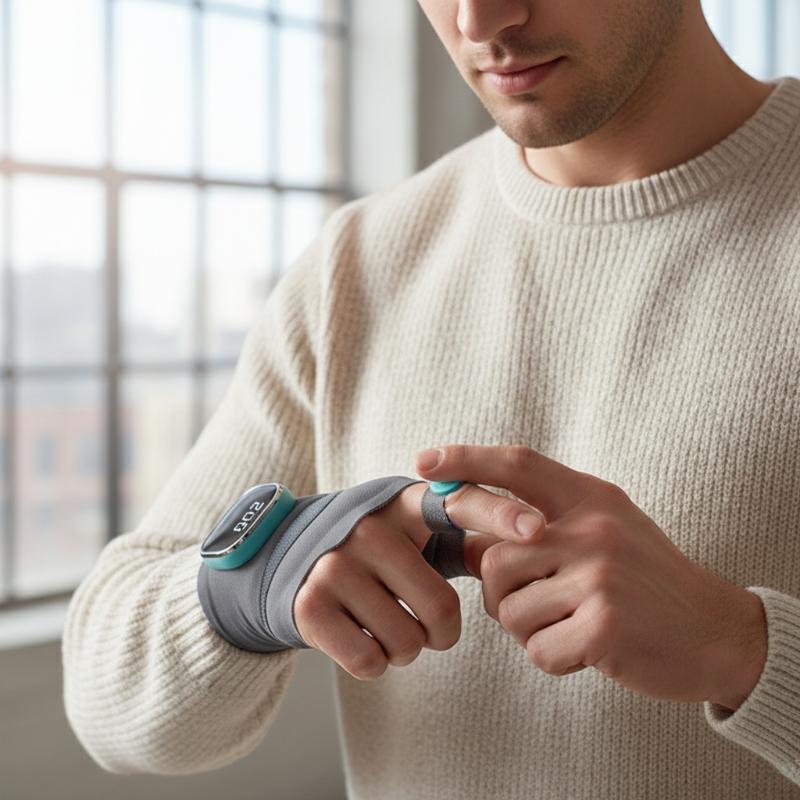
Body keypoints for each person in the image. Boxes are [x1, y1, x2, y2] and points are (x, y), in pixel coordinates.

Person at [62, 1, 800, 797]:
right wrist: (259, 582)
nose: (479, 21)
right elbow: (107, 708)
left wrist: (743, 650)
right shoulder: (358, 265)